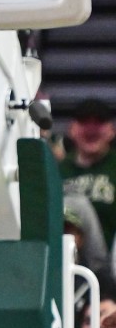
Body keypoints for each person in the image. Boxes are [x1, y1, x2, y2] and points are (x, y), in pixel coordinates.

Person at [61, 98, 116, 249]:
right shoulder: (58, 170)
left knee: (78, 204)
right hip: (70, 257)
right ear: (71, 129)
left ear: (112, 130)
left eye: (99, 121)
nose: (91, 128)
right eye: (84, 121)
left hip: (108, 259)